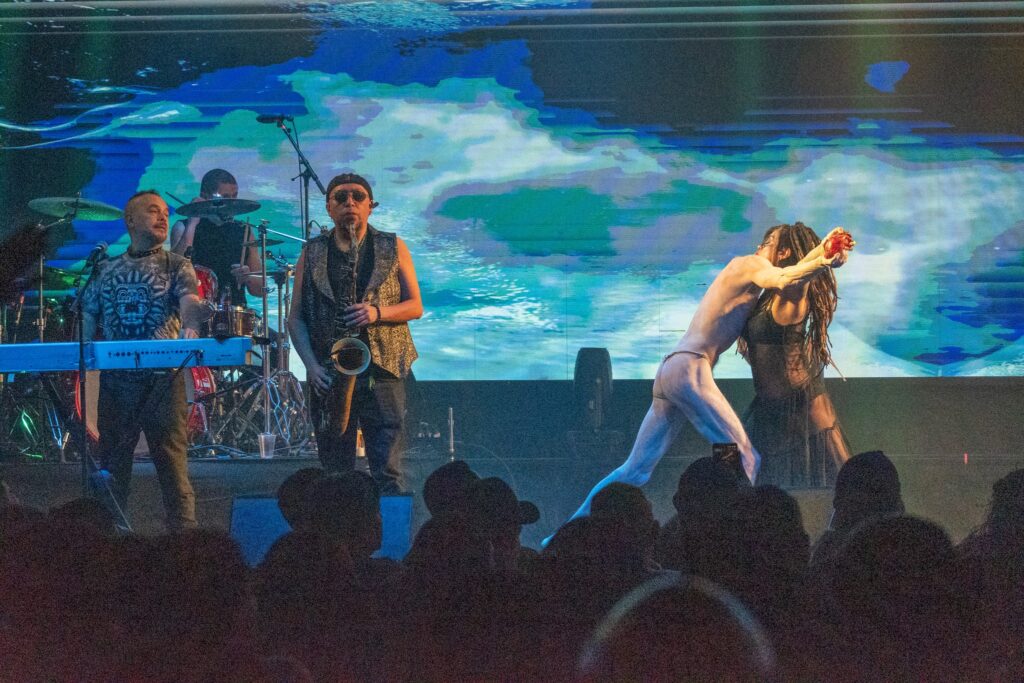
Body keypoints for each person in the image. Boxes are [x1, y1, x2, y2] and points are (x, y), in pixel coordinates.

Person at [552, 224, 852, 537]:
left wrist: (825, 248)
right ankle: (734, 537)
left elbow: (794, 273)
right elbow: (785, 278)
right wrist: (823, 261)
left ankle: (563, 534)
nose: (763, 248)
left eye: (768, 243)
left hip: (671, 369)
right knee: (747, 457)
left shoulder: (744, 273)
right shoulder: (752, 264)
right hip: (689, 369)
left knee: (635, 470)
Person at [288, 173, 422, 492]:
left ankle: (387, 521)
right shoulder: (312, 251)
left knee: (388, 472)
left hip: (383, 368)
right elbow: (295, 318)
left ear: (370, 206)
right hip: (330, 371)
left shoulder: (393, 245)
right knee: (335, 472)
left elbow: (415, 306)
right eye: (341, 197)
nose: (350, 202)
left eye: (358, 196)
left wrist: (377, 313)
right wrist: (312, 366)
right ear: (329, 207)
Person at [81, 190, 204, 529]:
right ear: (130, 220)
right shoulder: (105, 268)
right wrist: (84, 347)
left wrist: (193, 323)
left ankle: (185, 541)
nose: (163, 217)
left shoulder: (177, 265)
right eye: (153, 211)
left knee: (172, 465)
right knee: (112, 465)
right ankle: (108, 538)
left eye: (165, 212)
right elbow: (88, 311)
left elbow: (190, 304)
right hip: (116, 381)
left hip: (163, 379)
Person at [738, 222, 853, 487]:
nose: (758, 247)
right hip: (770, 412)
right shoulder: (767, 295)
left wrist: (824, 256)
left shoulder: (790, 293)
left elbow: (799, 276)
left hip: (804, 410)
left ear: (783, 252)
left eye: (767, 243)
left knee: (841, 489)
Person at [170, 168, 265, 303]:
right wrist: (192, 223)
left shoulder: (244, 231)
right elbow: (173, 273)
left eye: (234, 196)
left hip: (234, 309)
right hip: (195, 308)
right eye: (225, 197)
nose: (231, 203)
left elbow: (260, 291)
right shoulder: (184, 227)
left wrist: (248, 277)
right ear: (205, 197)